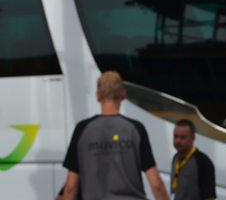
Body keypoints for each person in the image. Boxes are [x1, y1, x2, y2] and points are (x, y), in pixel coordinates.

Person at [61, 70, 169, 200]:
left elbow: (70, 187)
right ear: (123, 94)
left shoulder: (82, 130)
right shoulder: (135, 129)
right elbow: (156, 185)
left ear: (98, 96)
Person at [171, 119, 216, 200]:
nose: (178, 141)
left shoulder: (203, 162)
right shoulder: (176, 158)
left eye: (183, 137)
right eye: (175, 136)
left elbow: (209, 197)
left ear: (193, 138)